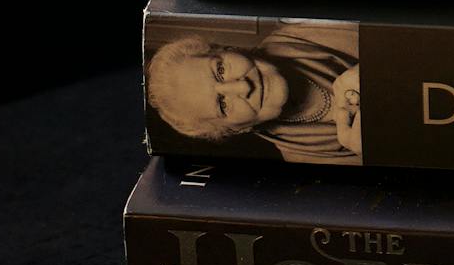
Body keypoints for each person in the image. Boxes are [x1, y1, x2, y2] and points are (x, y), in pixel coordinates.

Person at [145, 23, 362, 163]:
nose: (243, 87)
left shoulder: (305, 25)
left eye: (220, 70)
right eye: (223, 105)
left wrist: (376, 71)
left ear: (227, 49)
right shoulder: (305, 160)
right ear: (238, 130)